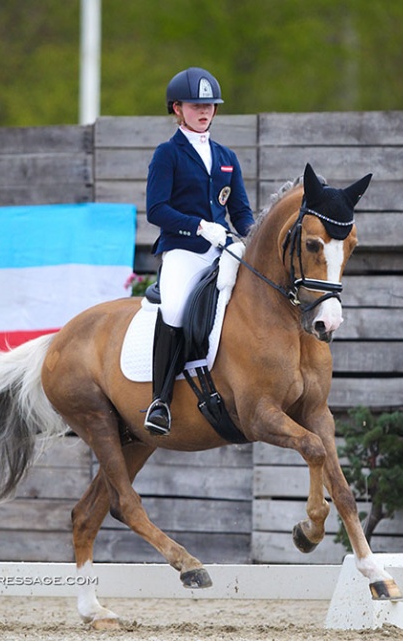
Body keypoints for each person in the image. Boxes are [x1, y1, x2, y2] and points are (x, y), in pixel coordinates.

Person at [144, 66, 255, 436]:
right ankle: (160, 401)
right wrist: (198, 226)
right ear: (177, 109)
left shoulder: (226, 156)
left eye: (209, 104)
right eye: (195, 105)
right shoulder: (167, 154)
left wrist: (252, 239)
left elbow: (239, 211)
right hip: (183, 249)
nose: (204, 111)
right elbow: (156, 209)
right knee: (175, 307)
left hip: (222, 249)